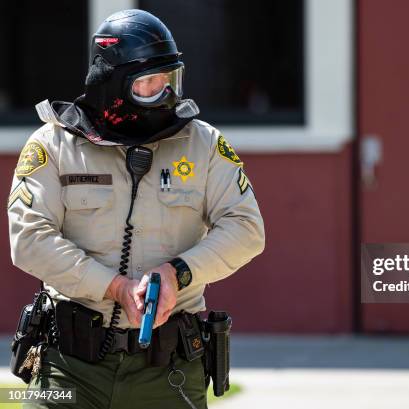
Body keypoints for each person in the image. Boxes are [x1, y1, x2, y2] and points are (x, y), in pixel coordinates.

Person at [8, 9, 264, 409]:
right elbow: (29, 240)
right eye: (147, 83)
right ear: (111, 82)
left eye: (169, 80)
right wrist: (114, 288)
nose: (163, 94)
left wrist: (178, 273)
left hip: (171, 369)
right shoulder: (52, 145)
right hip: (67, 368)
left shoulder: (204, 145)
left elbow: (246, 228)